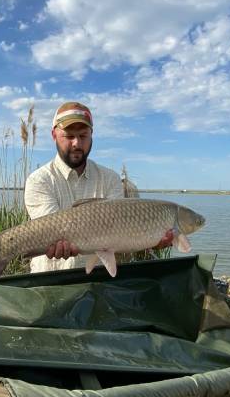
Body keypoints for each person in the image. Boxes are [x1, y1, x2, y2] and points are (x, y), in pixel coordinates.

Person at [24, 101, 173, 273]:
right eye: (69, 136)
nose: (76, 144)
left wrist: (152, 241)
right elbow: (55, 232)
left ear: (91, 134)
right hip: (50, 277)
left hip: (100, 278)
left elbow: (120, 234)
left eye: (83, 136)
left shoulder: (110, 178)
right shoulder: (39, 180)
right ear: (54, 135)